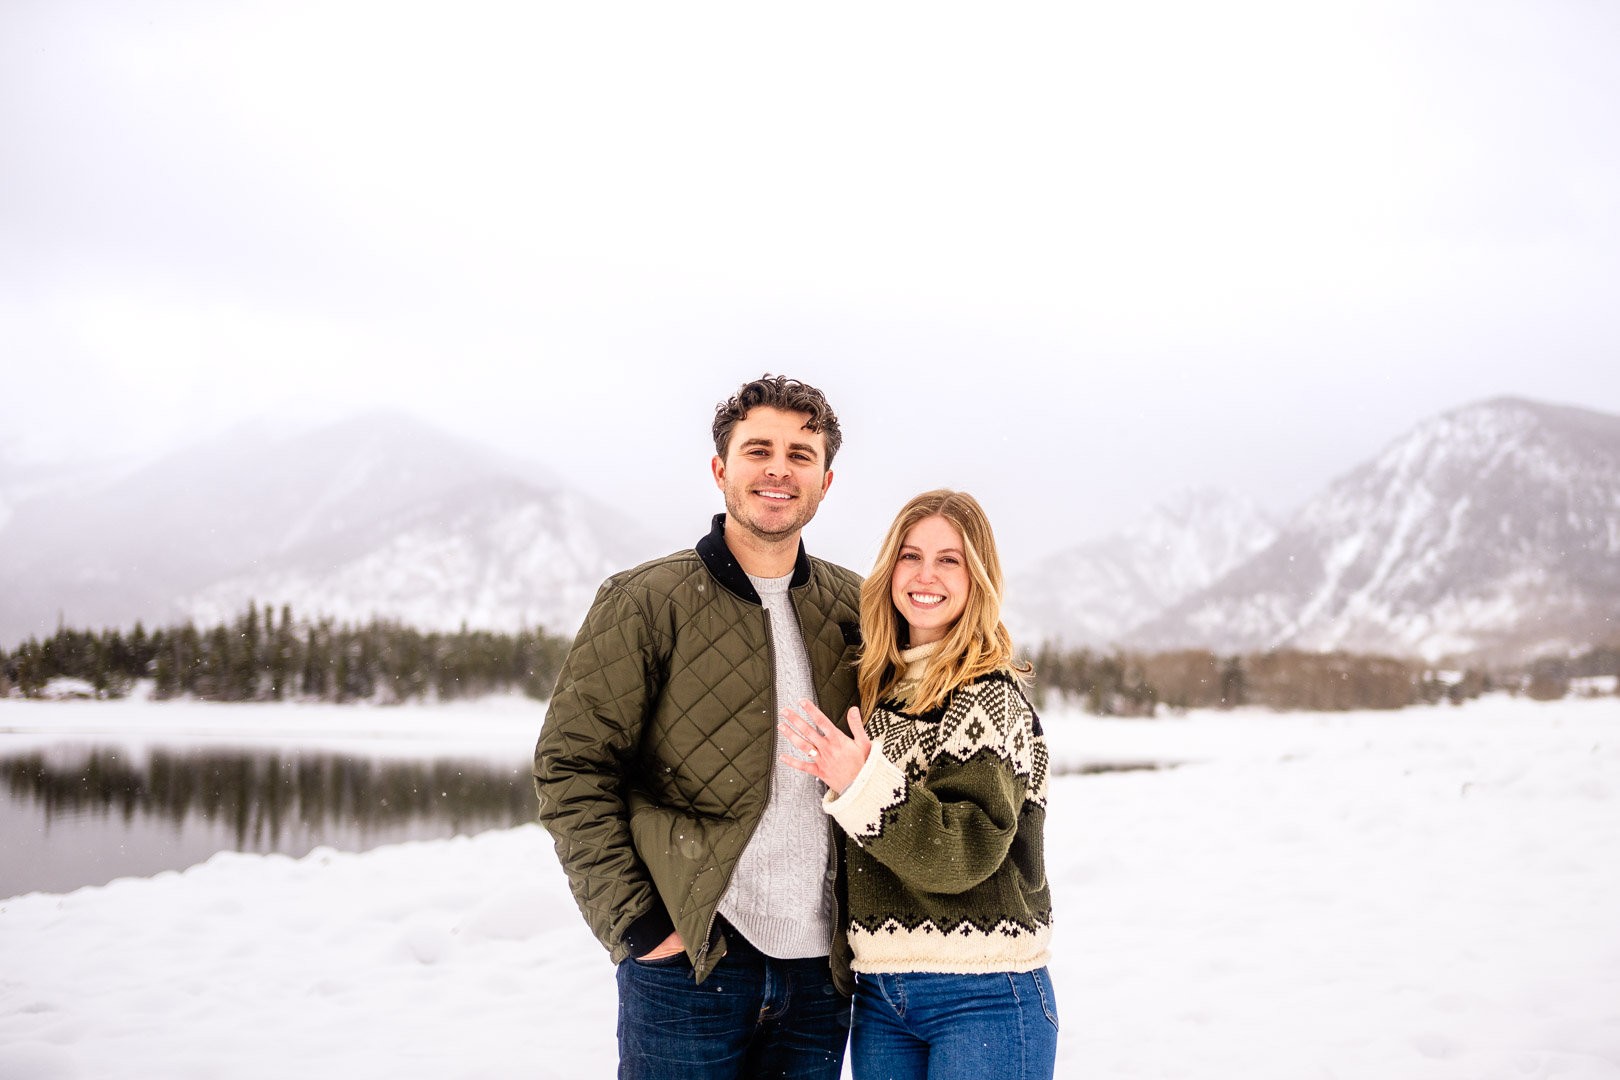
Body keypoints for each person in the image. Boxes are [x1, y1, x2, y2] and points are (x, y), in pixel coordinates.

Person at [533, 375, 865, 1080]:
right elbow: (573, 768)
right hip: (692, 964)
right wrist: (640, 926)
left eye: (801, 454)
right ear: (721, 469)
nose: (779, 469)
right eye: (759, 450)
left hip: (819, 977)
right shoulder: (643, 600)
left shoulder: (857, 606)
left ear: (825, 481)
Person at [777, 489, 1057, 1080]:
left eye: (949, 559)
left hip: (983, 991)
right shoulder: (882, 691)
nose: (926, 574)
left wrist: (860, 784)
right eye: (910, 556)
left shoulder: (988, 695)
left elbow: (964, 852)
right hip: (881, 995)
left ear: (977, 578)